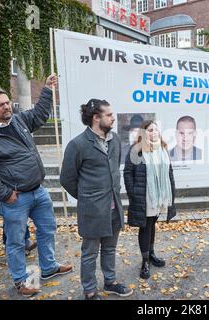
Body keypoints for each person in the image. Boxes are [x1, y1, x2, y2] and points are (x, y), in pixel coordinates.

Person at [0, 74, 72, 297]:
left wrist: (47, 90)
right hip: (15, 198)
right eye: (1, 104)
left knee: (47, 230)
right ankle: (21, 280)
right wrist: (5, 194)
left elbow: (39, 114)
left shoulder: (17, 120)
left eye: (8, 102)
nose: (7, 106)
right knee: (15, 242)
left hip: (38, 191)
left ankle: (49, 267)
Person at [60, 99, 133, 300]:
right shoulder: (78, 144)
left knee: (110, 248)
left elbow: (114, 168)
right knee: (90, 252)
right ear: (96, 117)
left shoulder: (115, 139)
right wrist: (87, 197)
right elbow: (67, 178)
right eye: (109, 115)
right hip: (92, 210)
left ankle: (110, 282)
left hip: (113, 207)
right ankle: (90, 291)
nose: (113, 117)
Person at [124, 120, 177, 280]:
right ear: (143, 133)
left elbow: (169, 173)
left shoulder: (163, 149)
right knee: (145, 227)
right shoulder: (136, 151)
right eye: (149, 130)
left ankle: (151, 253)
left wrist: (171, 194)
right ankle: (145, 261)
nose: (153, 133)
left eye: (155, 130)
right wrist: (133, 193)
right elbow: (128, 173)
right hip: (144, 197)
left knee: (152, 224)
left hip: (159, 196)